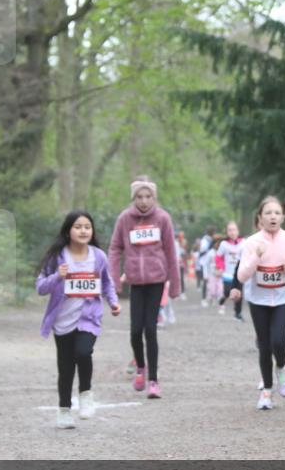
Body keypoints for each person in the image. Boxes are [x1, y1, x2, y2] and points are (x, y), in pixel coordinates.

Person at [36, 210, 120, 429]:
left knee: (83, 352)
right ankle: (64, 410)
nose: (83, 231)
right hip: (62, 320)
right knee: (65, 368)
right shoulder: (57, 257)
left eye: (87, 227)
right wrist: (57, 276)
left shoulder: (98, 256)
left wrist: (113, 302)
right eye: (78, 227)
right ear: (68, 231)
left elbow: (107, 283)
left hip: (89, 318)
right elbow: (40, 287)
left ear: (92, 231)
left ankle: (85, 394)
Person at [108, 176, 181, 399]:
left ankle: (154, 381)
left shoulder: (162, 218)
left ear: (154, 197)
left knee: (150, 329)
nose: (144, 201)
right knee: (134, 330)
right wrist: (114, 281)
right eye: (139, 196)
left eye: (148, 196)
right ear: (133, 198)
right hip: (135, 282)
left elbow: (170, 251)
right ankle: (141, 366)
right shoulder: (125, 219)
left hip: (157, 280)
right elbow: (114, 249)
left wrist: (175, 283)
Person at [236, 196, 285, 409]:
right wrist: (255, 258)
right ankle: (267, 392)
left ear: (283, 217)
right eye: (268, 213)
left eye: (277, 213)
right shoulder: (251, 242)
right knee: (264, 346)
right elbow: (242, 276)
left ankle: (282, 366)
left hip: (281, 298)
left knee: (278, 342)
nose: (273, 216)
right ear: (260, 217)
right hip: (258, 300)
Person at [217, 221, 244, 321]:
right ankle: (221, 301)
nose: (232, 232)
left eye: (234, 230)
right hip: (227, 274)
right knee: (228, 292)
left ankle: (238, 313)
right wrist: (220, 267)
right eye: (230, 230)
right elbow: (218, 257)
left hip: (239, 273)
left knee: (239, 294)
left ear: (238, 231)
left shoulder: (243, 243)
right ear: (227, 232)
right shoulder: (224, 244)